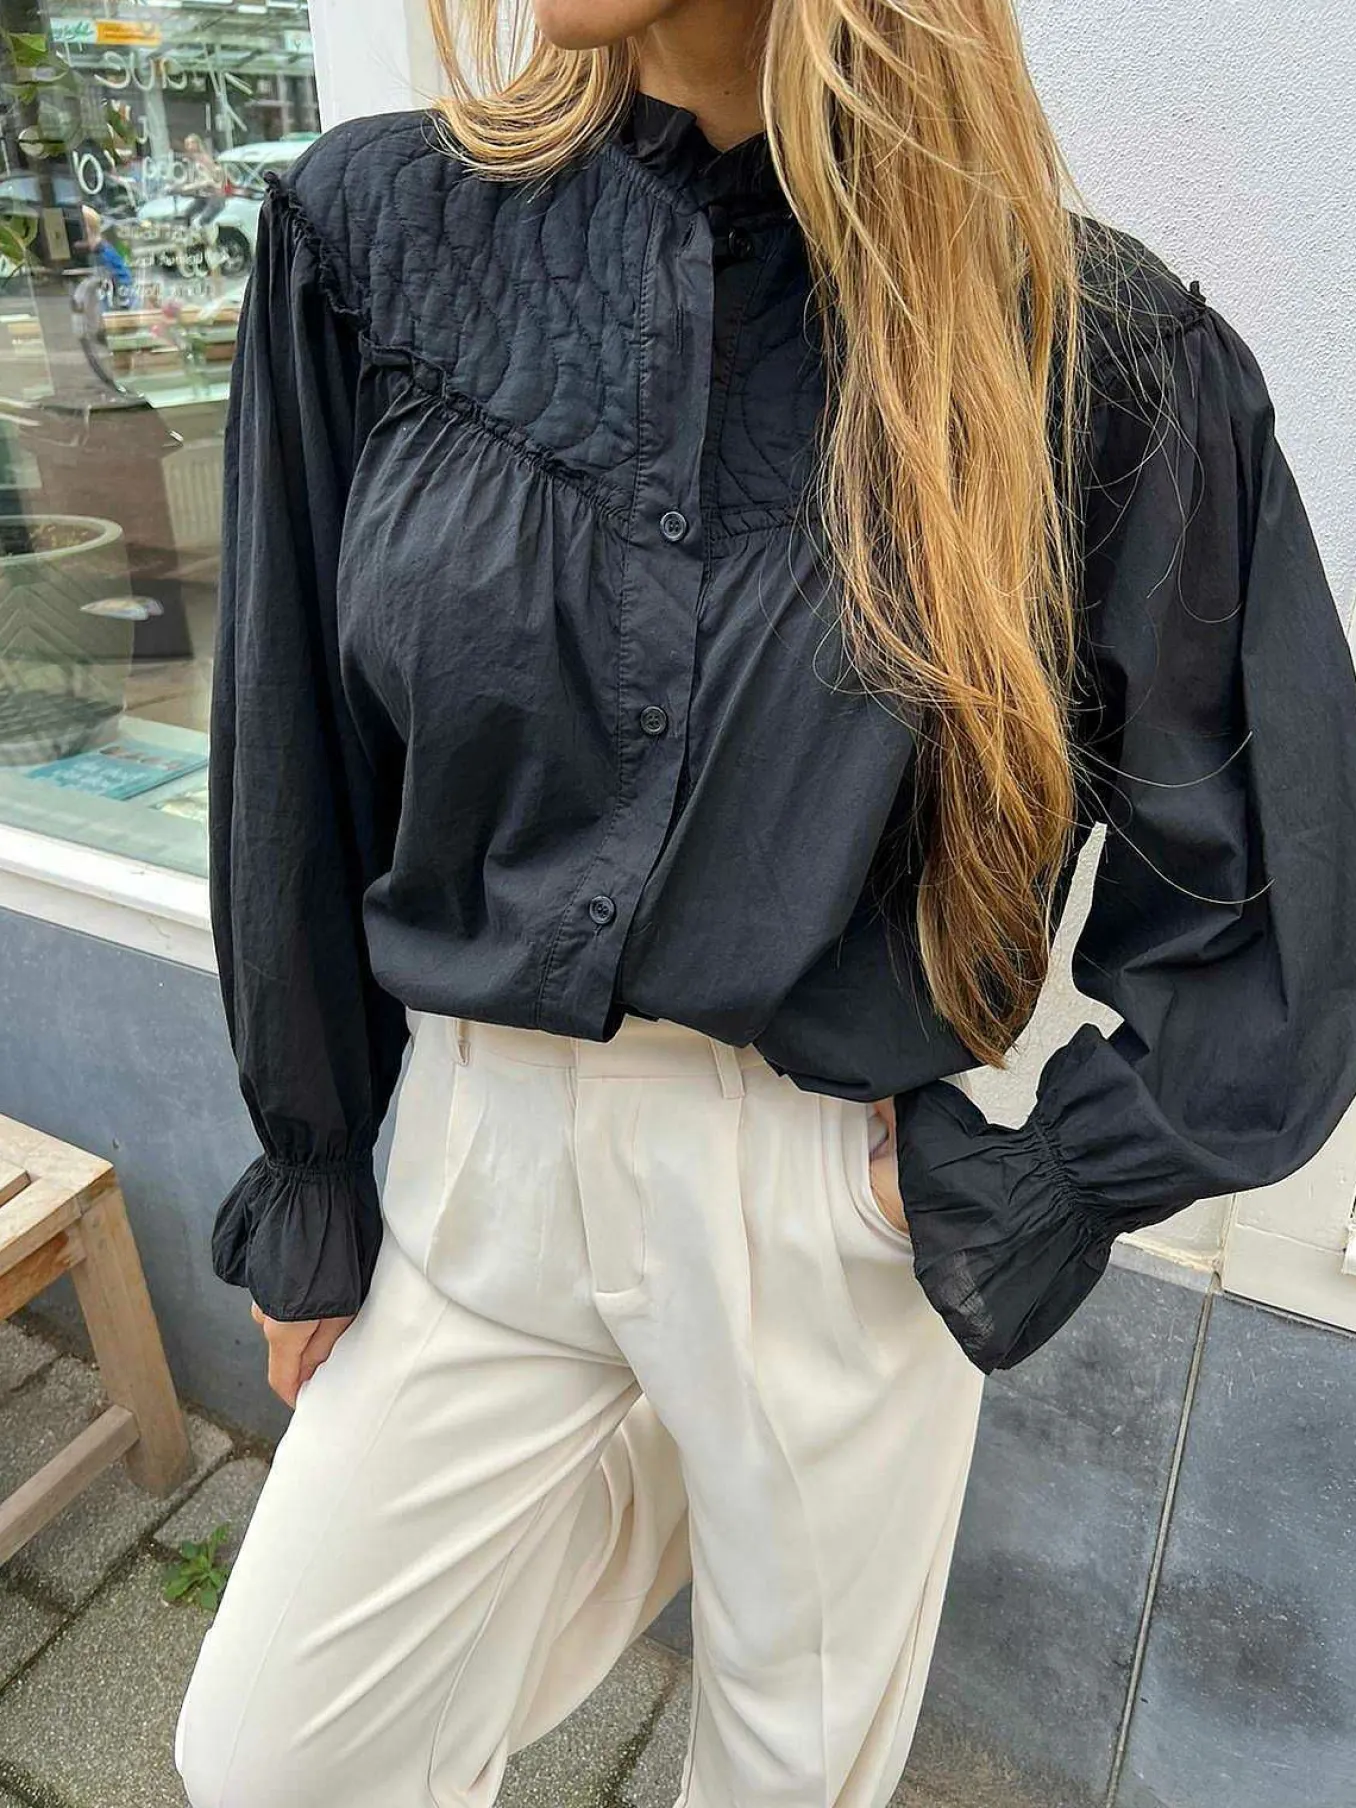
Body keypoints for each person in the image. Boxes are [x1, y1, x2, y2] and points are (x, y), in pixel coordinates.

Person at [174, 1, 1356, 1803]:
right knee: (276, 1758)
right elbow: (289, 754)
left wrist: (1052, 1178)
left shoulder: (1082, 343)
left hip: (821, 1196)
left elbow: (1276, 876)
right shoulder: (376, 232)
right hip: (482, 1154)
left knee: (791, 1780)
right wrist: (314, 1160)